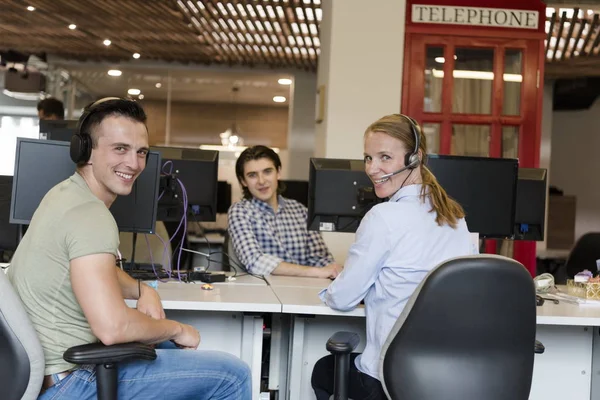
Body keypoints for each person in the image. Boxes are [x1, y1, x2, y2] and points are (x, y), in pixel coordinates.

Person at [9, 98, 251, 399]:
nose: (135, 164)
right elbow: (112, 328)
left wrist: (141, 290)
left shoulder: (63, 195)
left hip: (46, 376)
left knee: (159, 344)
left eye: (141, 152)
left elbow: (91, 269)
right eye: (120, 149)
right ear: (86, 151)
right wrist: (176, 328)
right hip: (71, 383)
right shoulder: (92, 216)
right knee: (232, 375)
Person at [311, 114, 474, 400]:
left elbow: (342, 298)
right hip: (444, 380)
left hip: (388, 380)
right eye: (368, 158)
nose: (372, 169)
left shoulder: (382, 217)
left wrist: (340, 286)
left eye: (385, 157)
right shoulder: (457, 219)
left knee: (323, 370)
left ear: (415, 158)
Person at [228, 145, 342, 278]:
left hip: (302, 292)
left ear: (278, 172)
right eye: (252, 175)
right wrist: (315, 272)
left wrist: (333, 269)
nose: (261, 181)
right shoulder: (240, 211)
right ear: (243, 181)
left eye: (267, 171)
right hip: (262, 292)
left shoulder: (301, 211)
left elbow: (320, 259)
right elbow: (255, 261)